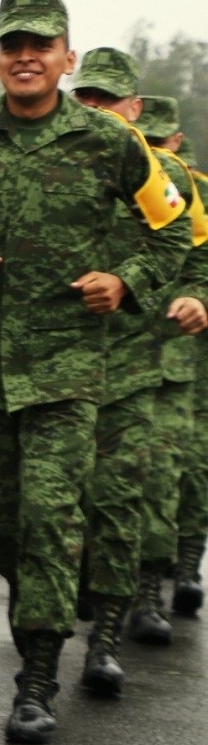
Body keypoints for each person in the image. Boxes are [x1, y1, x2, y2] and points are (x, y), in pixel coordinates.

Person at [0, 0, 189, 744]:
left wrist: (126, 283)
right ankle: (45, 605)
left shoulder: (109, 143)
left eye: (40, 46)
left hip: (67, 370)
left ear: (65, 58)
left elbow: (172, 230)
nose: (25, 57)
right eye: (13, 45)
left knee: (50, 518)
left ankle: (37, 675)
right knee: (2, 515)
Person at [67, 48, 186, 683]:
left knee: (119, 500)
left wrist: (192, 295)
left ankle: (107, 636)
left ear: (135, 110)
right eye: (85, 98)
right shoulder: (59, 163)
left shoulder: (163, 178)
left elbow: (193, 254)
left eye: (108, 101)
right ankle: (67, 598)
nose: (96, 111)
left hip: (134, 368)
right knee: (50, 506)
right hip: (53, 368)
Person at [130, 94, 208, 643]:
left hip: (175, 358)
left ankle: (163, 579)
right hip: (105, 351)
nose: (153, 150)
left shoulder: (185, 186)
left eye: (161, 141)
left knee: (174, 473)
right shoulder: (98, 162)